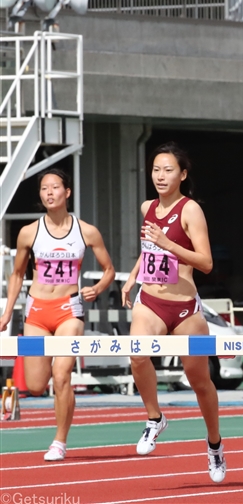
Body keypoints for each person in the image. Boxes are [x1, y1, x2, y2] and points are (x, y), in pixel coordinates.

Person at [120, 142, 226, 483]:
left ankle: (214, 444)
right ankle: (154, 418)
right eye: (155, 169)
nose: (160, 176)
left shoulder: (190, 210)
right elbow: (149, 248)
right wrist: (133, 276)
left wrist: (170, 245)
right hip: (150, 300)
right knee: (137, 354)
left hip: (184, 308)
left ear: (182, 174)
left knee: (200, 381)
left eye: (168, 170)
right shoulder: (147, 206)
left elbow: (206, 263)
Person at [0, 168, 115, 461]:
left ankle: (59, 441)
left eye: (54, 187)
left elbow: (109, 270)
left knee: (61, 375)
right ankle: (58, 431)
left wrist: (98, 287)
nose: (49, 192)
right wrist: (7, 312)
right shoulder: (29, 232)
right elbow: (16, 275)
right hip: (37, 311)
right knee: (37, 386)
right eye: (44, 189)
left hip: (69, 310)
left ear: (67, 192)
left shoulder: (86, 231)